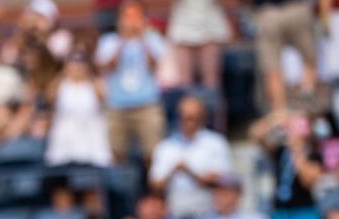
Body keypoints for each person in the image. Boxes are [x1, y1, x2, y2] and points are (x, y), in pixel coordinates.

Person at [94, 0, 165, 164]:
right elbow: (107, 66)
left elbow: (154, 65)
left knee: (153, 154)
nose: (131, 21)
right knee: (116, 154)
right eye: (127, 16)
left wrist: (141, 38)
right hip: (117, 106)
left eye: (136, 16)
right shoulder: (109, 41)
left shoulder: (152, 39)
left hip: (147, 104)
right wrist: (123, 39)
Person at [149, 96, 231, 219]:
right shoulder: (166, 147)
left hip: (208, 218)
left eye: (194, 118)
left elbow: (221, 180)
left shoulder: (216, 143)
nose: (189, 123)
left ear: (203, 119)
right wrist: (173, 172)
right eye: (184, 118)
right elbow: (155, 184)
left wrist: (188, 171)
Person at [44, 49, 111, 168]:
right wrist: (64, 72)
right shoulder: (61, 84)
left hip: (91, 142)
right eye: (73, 62)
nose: (77, 67)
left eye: (81, 62)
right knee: (61, 180)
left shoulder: (94, 84)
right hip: (64, 143)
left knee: (91, 181)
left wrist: (90, 73)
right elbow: (49, 96)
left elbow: (105, 96)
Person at [253, 0, 317, 114]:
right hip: (292, 10)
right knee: (309, 57)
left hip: (271, 13)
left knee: (273, 66)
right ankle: (304, 97)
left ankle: (281, 109)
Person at [165, 0, 229, 89]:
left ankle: (211, 101)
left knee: (211, 81)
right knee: (185, 82)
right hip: (183, 24)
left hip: (211, 25)